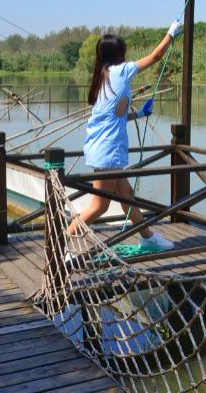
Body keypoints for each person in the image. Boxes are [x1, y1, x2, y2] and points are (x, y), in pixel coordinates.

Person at [69, 20, 183, 251]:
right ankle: (61, 245)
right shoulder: (121, 71)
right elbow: (155, 56)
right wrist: (172, 32)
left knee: (127, 196)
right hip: (108, 151)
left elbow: (115, 116)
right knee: (99, 206)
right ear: (118, 54)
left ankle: (148, 238)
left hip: (105, 148)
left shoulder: (104, 78)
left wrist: (139, 113)